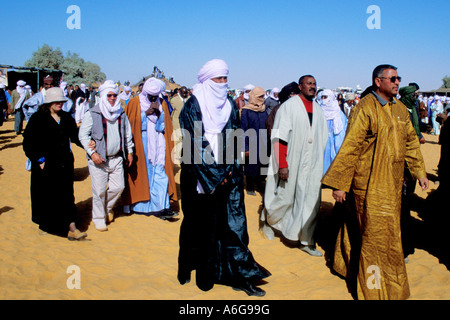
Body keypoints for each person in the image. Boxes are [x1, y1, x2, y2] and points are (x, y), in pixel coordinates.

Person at [321, 64, 429, 300]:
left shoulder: (400, 109)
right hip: (367, 184)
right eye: (392, 78)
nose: (397, 82)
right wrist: (340, 183)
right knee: (374, 235)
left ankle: (355, 269)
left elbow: (410, 143)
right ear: (378, 81)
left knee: (379, 231)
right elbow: (351, 147)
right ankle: (373, 287)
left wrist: (419, 172)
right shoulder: (364, 108)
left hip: (392, 184)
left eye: (398, 78)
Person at [177, 59, 270, 296]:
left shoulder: (229, 103)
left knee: (233, 226)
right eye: (218, 79)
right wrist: (216, 175)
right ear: (207, 80)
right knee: (199, 227)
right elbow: (195, 143)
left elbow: (234, 136)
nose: (223, 83)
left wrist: (229, 170)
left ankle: (238, 275)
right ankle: (194, 270)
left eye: (225, 78)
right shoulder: (192, 106)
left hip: (229, 175)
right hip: (200, 178)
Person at [261, 75, 328, 257]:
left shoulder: (319, 111)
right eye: (309, 84)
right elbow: (279, 138)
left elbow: (322, 139)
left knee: (311, 201)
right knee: (285, 198)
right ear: (300, 86)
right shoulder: (288, 107)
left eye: (314, 84)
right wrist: (282, 164)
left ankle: (306, 240)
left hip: (312, 164)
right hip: (291, 162)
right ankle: (269, 221)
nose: (313, 87)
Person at [22, 87, 87, 240]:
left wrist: (89, 144)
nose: (60, 104)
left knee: (67, 195)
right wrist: (38, 159)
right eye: (56, 101)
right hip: (46, 165)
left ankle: (72, 227)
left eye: (61, 101)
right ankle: (44, 225)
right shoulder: (38, 119)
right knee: (46, 196)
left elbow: (76, 137)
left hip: (65, 163)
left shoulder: (66, 118)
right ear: (49, 103)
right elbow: (28, 143)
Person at [78, 80, 134, 232]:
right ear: (103, 96)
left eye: (114, 95)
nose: (112, 98)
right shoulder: (92, 113)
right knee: (99, 191)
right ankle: (99, 218)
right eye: (109, 95)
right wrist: (92, 153)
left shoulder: (121, 113)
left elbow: (128, 134)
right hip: (99, 159)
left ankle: (106, 208)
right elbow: (83, 135)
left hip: (116, 158)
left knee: (119, 187)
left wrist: (129, 152)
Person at [122, 78, 177, 220]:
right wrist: (145, 113)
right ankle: (141, 206)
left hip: (159, 142)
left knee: (160, 172)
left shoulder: (162, 102)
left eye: (155, 96)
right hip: (142, 144)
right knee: (143, 174)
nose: (153, 98)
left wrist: (158, 114)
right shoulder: (135, 103)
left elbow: (165, 124)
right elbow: (129, 124)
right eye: (151, 96)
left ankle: (162, 207)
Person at [240, 86, 269, 196]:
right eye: (260, 96)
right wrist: (245, 148)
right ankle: (250, 187)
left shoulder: (263, 109)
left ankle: (260, 184)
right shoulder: (246, 111)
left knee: (262, 165)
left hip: (263, 142)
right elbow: (243, 130)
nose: (262, 98)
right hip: (250, 142)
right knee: (250, 166)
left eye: (263, 96)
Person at [317, 89, 348, 174]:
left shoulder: (338, 114)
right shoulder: (318, 112)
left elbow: (342, 131)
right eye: (322, 97)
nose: (323, 99)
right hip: (322, 142)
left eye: (325, 97)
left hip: (335, 142)